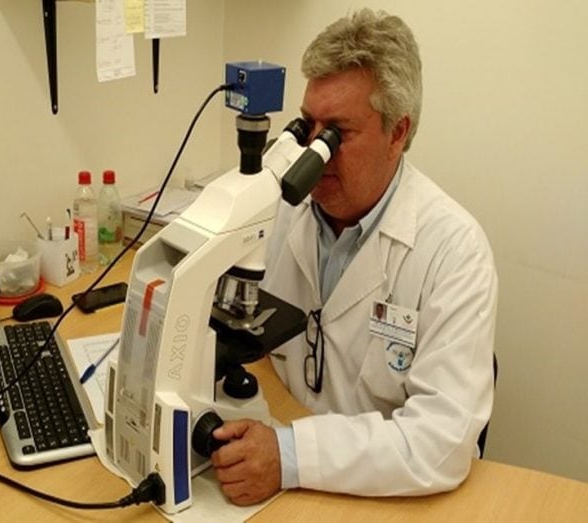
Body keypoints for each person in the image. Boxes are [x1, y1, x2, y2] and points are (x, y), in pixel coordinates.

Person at [211, 8, 498, 506]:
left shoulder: (454, 251)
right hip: (278, 459)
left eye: (337, 134)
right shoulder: (276, 211)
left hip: (384, 494)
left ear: (397, 132)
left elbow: (442, 442)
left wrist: (291, 455)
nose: (313, 155)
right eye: (309, 127)